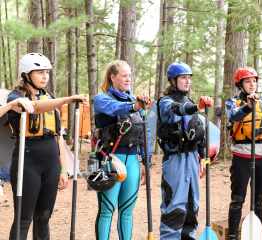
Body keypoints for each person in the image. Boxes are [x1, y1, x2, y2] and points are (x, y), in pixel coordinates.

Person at [7, 52, 87, 240]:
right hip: (27, 161)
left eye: (47, 72)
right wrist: (66, 100)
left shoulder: (48, 96)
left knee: (43, 217)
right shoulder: (16, 98)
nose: (45, 77)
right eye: (40, 72)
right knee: (23, 219)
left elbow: (58, 136)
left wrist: (63, 169)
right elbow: (34, 107)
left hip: (51, 161)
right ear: (26, 75)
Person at [92, 60, 151, 240]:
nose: (128, 79)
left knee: (126, 211)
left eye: (130, 76)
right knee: (107, 210)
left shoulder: (135, 101)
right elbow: (114, 108)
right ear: (113, 77)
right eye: (124, 75)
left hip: (132, 160)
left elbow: (143, 134)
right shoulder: (102, 98)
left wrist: (145, 162)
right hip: (108, 159)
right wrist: (135, 106)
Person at [157, 62, 213, 239]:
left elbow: (200, 133)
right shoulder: (165, 102)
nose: (187, 81)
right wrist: (197, 107)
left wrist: (203, 159)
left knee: (191, 206)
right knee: (175, 207)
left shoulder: (189, 102)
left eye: (189, 78)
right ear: (173, 80)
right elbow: (176, 111)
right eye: (183, 78)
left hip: (192, 159)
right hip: (175, 159)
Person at [225, 67, 262, 240]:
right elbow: (233, 117)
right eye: (248, 81)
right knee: (238, 199)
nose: (252, 84)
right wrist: (248, 107)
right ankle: (233, 235)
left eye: (254, 81)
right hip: (241, 157)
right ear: (240, 84)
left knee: (258, 200)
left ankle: (257, 234)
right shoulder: (232, 102)